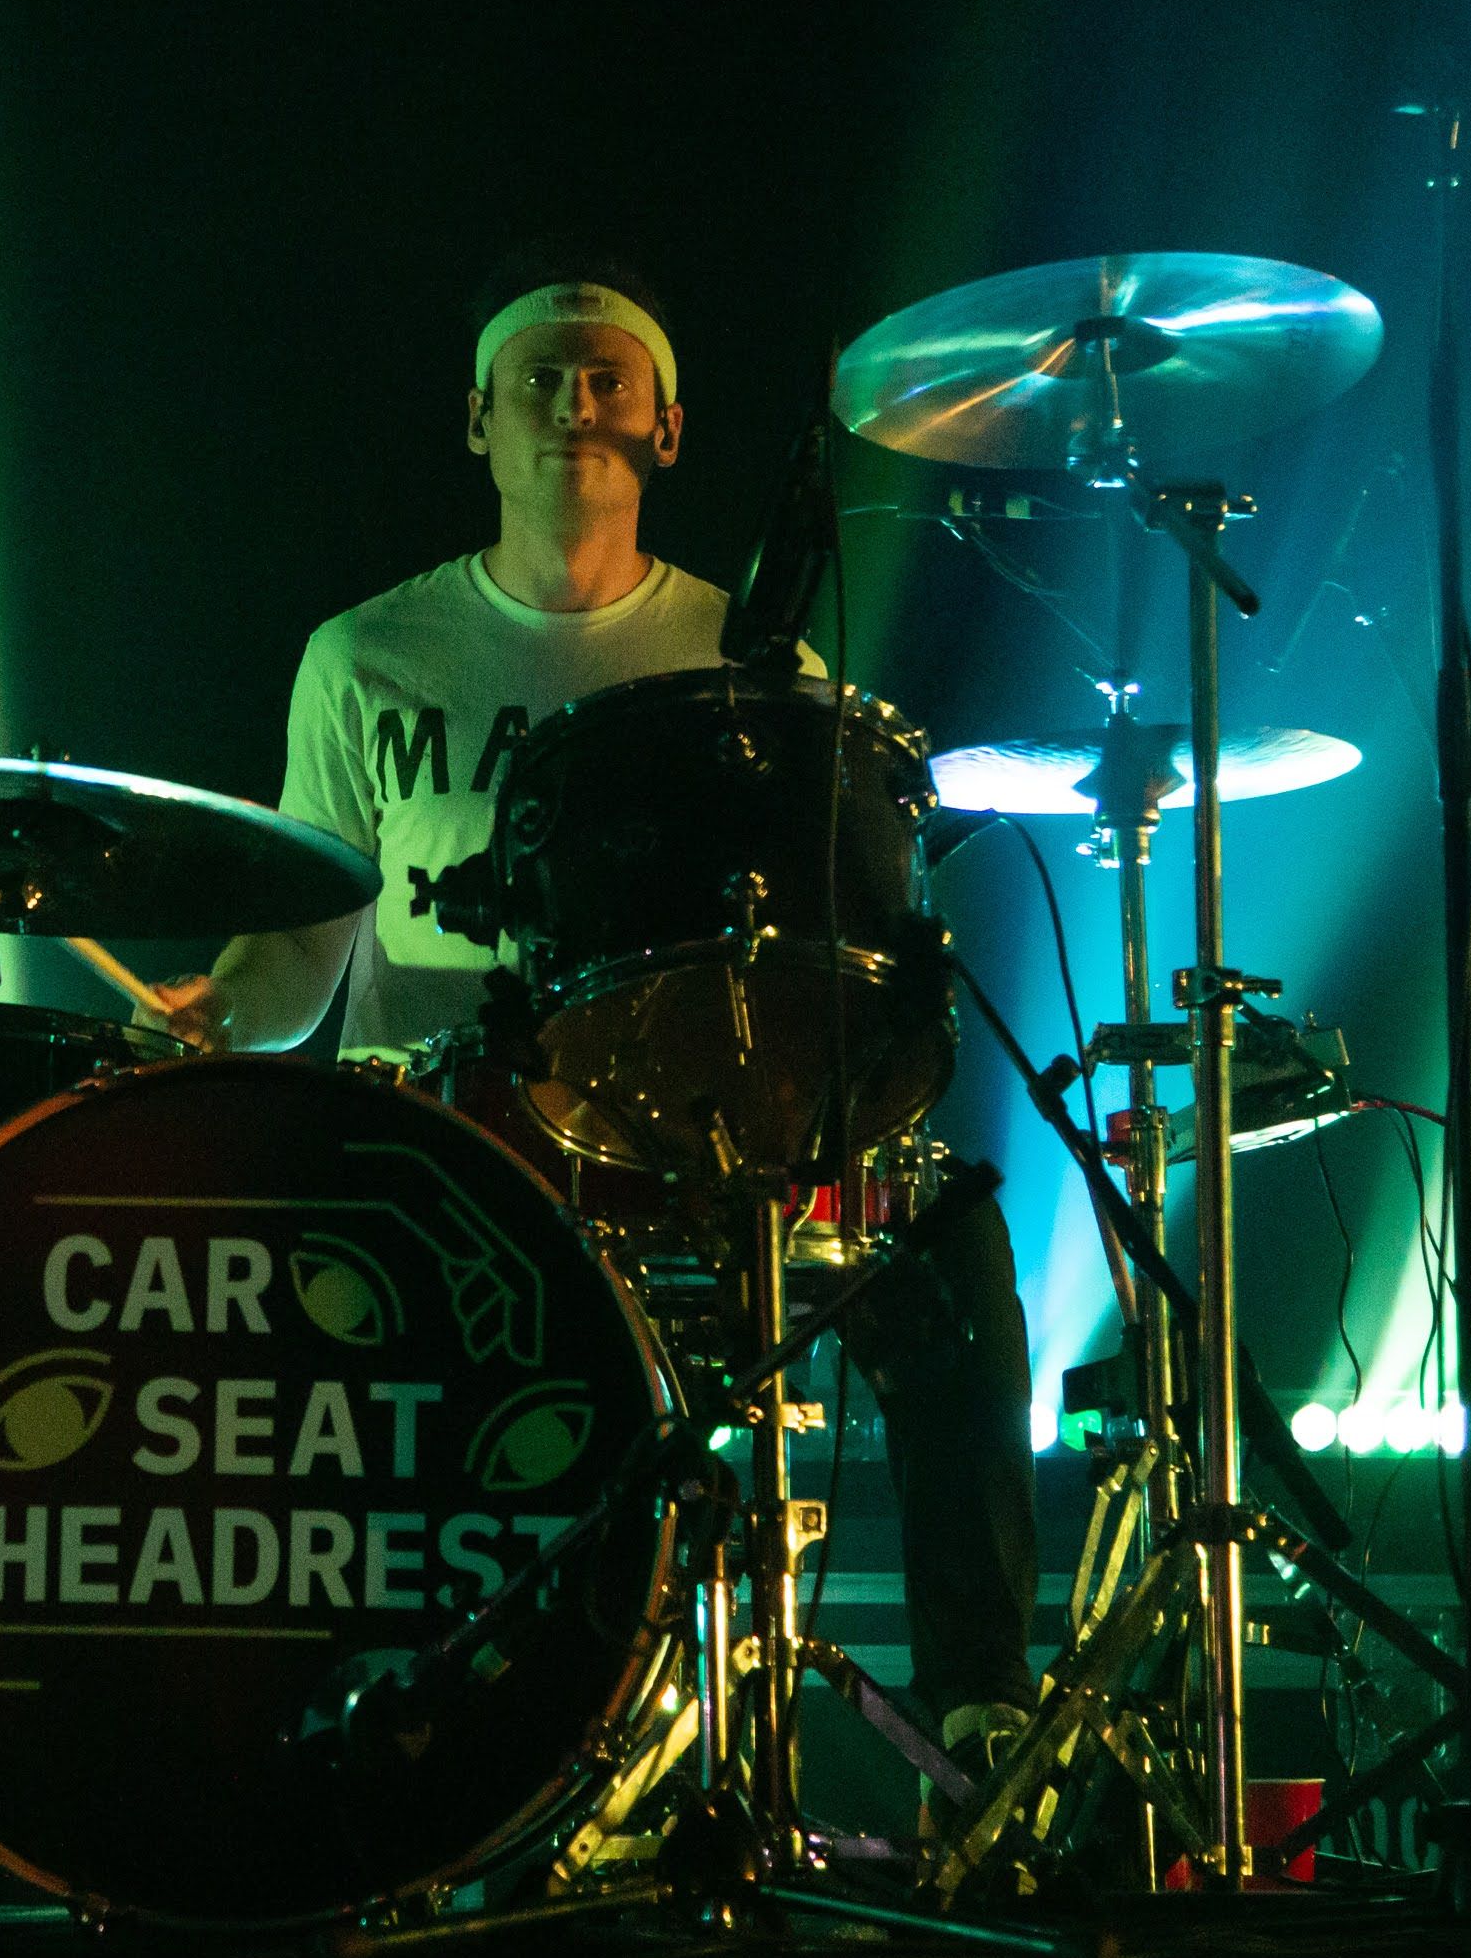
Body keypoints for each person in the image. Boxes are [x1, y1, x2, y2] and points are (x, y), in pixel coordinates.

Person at [140, 249, 1042, 1767]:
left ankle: (980, 1712)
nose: (571, 402)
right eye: (538, 380)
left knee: (948, 1239)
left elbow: (804, 959)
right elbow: (299, 948)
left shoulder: (754, 664)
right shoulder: (363, 656)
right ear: (476, 422)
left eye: (605, 379)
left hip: (682, 1148)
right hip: (445, 1156)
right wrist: (221, 1011)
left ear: (665, 429)